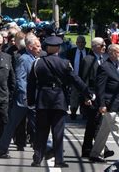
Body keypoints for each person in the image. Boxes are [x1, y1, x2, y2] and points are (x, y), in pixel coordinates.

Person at [27, 36, 94, 168]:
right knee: (58, 132)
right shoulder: (65, 63)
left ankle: (37, 158)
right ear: (58, 48)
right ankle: (59, 160)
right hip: (59, 99)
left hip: (42, 100)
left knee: (41, 132)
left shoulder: (37, 63)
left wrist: (31, 102)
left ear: (47, 48)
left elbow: (31, 85)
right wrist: (88, 94)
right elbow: (76, 80)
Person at [0, 34, 41, 158]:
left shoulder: (34, 58)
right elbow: (20, 79)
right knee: (12, 125)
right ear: (30, 47)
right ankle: (1, 149)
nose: (40, 48)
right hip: (23, 99)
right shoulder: (24, 59)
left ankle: (43, 150)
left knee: (37, 125)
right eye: (37, 46)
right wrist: (25, 94)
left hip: (32, 99)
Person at [89, 44, 119, 163]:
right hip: (108, 104)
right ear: (112, 53)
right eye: (118, 52)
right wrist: (101, 104)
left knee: (104, 130)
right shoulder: (104, 67)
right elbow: (100, 88)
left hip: (118, 104)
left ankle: (95, 153)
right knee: (117, 130)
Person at [79, 37, 114, 158]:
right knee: (95, 122)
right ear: (95, 46)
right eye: (102, 45)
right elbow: (83, 80)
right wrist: (86, 97)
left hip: (101, 96)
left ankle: (87, 148)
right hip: (91, 95)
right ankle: (101, 149)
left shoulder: (104, 59)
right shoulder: (87, 60)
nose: (104, 47)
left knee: (93, 124)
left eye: (105, 45)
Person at [65, 35, 90, 119]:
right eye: (78, 42)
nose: (80, 44)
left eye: (82, 42)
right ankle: (73, 111)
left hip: (85, 78)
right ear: (76, 43)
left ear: (85, 43)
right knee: (74, 95)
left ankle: (84, 112)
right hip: (74, 77)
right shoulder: (71, 52)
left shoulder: (89, 51)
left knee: (85, 95)